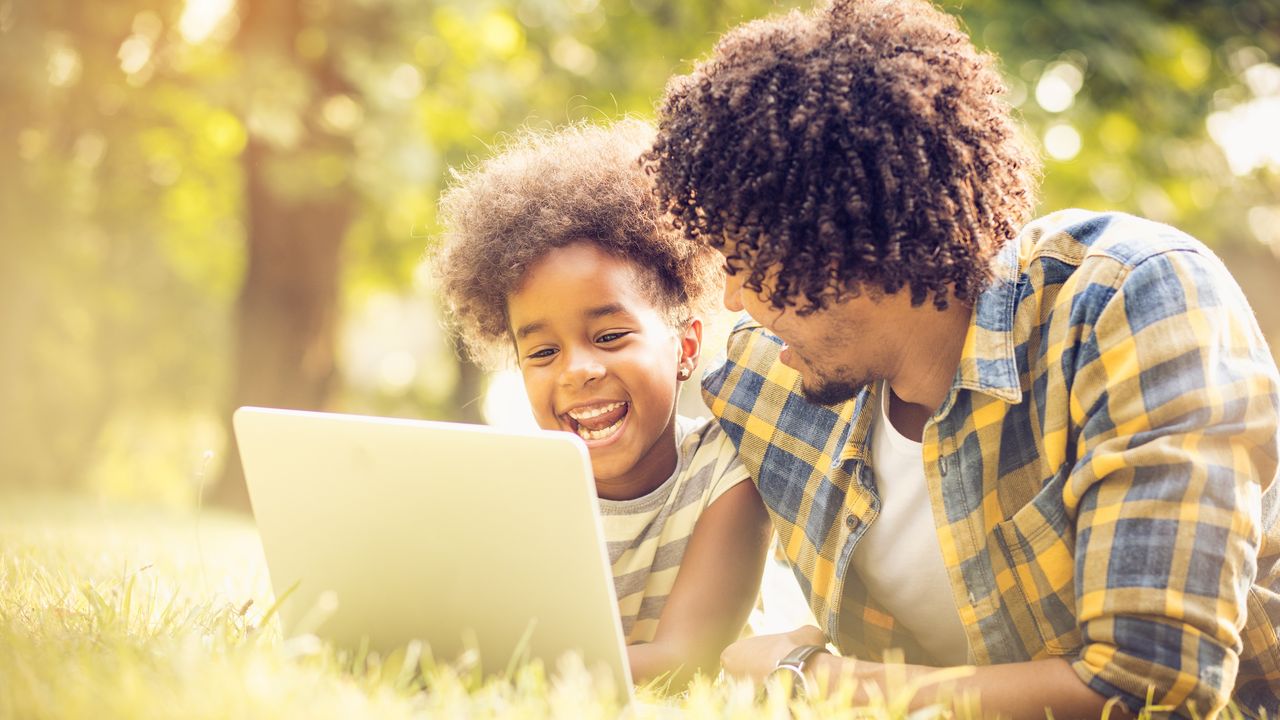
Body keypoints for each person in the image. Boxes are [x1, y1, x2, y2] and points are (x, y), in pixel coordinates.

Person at [642, 0, 1280, 716]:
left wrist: (819, 681)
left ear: (855, 236)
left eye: (745, 256)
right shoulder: (766, 383)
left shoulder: (1129, 302)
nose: (730, 296)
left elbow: (1156, 685)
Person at [431, 120, 772, 687]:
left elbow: (685, 659)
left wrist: (499, 675)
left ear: (684, 347)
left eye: (610, 336)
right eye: (542, 351)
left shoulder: (726, 472)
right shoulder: (518, 488)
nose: (578, 370)